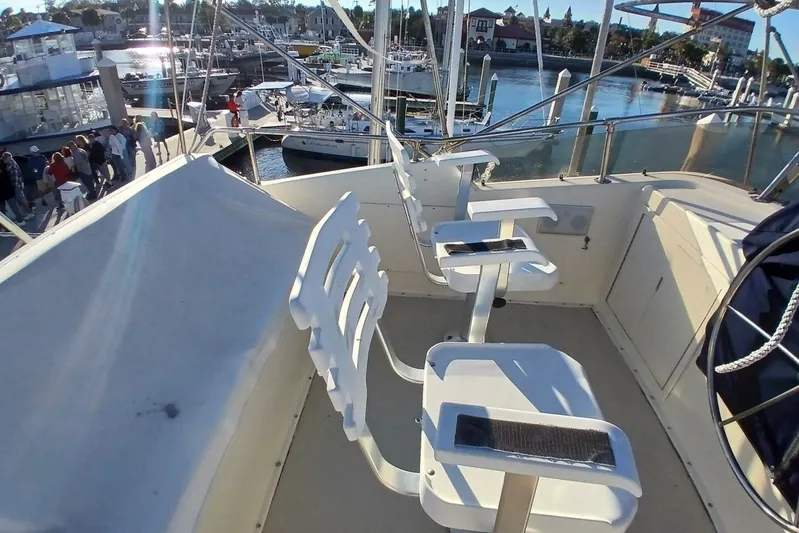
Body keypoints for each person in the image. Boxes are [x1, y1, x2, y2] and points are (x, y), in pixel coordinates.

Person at [1, 152, 33, 223]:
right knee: (21, 199)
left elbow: (14, 176)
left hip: (16, 185)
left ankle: (30, 213)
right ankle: (29, 212)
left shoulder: (11, 164)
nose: (4, 161)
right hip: (18, 184)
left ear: (8, 158)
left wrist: (14, 186)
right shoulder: (12, 162)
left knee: (22, 199)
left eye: (4, 160)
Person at [71, 137, 96, 202]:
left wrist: (77, 171)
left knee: (88, 183)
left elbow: (77, 163)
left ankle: (93, 195)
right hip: (87, 169)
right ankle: (92, 192)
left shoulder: (77, 153)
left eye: (71, 148)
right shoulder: (81, 150)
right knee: (90, 183)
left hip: (83, 171)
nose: (71, 149)